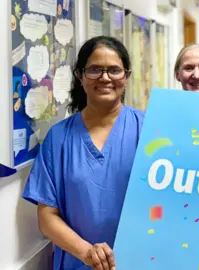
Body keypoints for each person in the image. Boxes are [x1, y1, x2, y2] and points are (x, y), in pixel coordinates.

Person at [22, 36, 144, 270]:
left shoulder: (148, 131)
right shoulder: (59, 138)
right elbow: (47, 217)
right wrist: (88, 253)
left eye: (114, 70)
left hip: (137, 262)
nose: (105, 78)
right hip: (77, 263)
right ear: (80, 76)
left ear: (126, 77)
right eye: (95, 69)